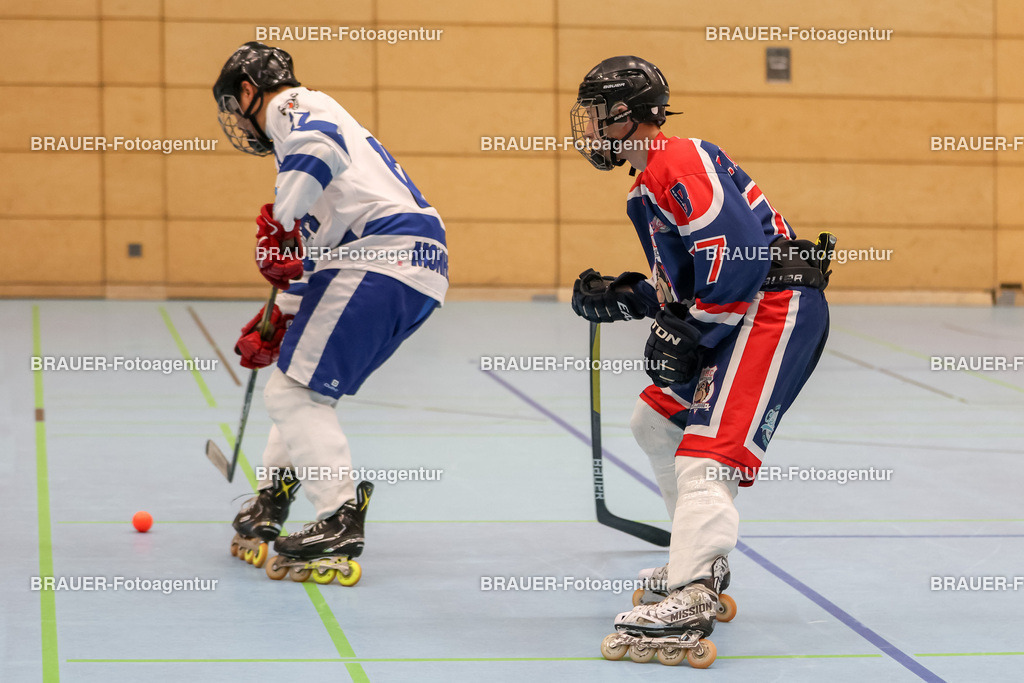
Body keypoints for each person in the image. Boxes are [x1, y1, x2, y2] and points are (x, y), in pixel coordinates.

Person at [569, 56, 831, 664]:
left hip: (771, 309)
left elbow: (740, 257)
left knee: (708, 454)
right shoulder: (646, 185)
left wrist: (691, 331)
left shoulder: (677, 161)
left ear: (627, 114)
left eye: (596, 114)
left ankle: (691, 592)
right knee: (654, 422)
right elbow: (692, 279)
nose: (589, 127)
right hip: (741, 309)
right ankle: (697, 562)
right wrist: (630, 296)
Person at [212, 42, 449, 584]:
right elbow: (316, 254)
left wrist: (281, 220)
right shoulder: (306, 144)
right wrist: (280, 316)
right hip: (409, 265)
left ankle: (338, 516)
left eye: (234, 106)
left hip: (382, 256)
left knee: (290, 394)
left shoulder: (292, 107)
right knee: (303, 389)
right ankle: (273, 496)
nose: (240, 122)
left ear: (249, 91)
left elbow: (319, 148)